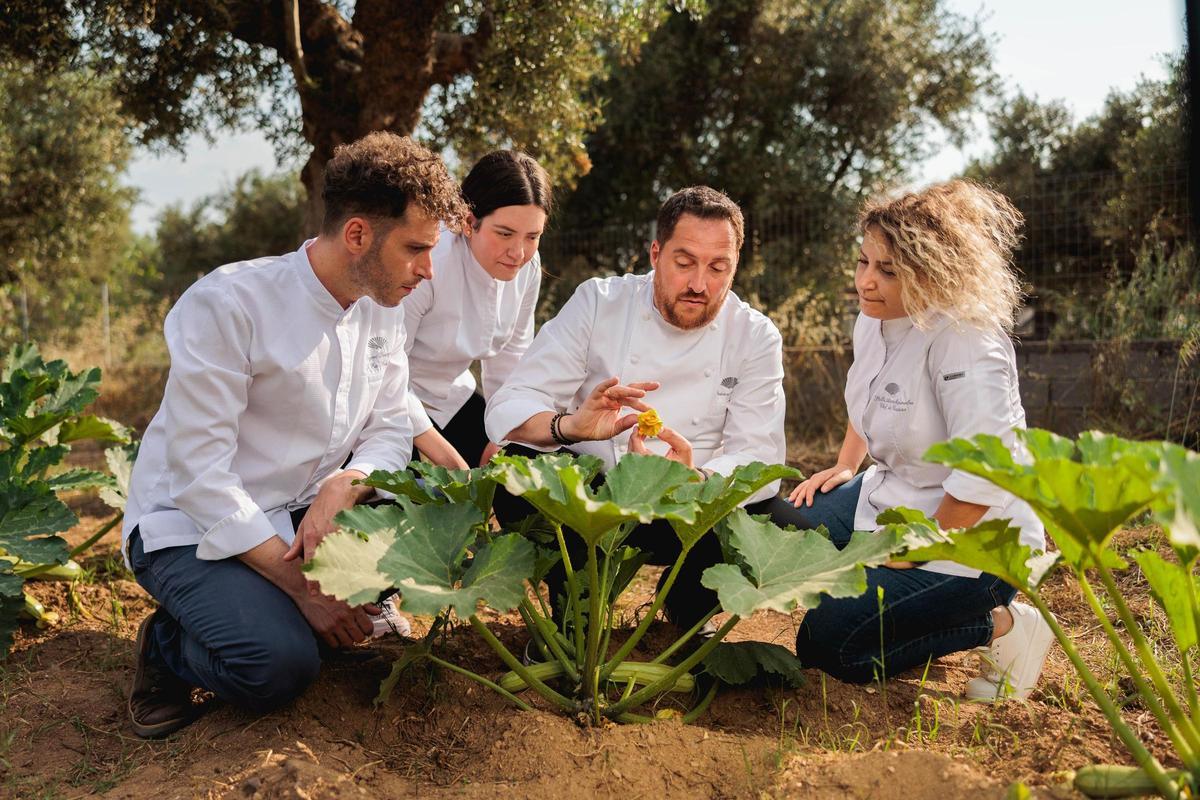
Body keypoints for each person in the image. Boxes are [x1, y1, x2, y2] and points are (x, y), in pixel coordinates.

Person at [121, 133, 467, 738]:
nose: (427, 270)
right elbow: (201, 479)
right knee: (278, 666)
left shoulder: (383, 305)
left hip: (302, 512)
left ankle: (294, 611)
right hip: (189, 525)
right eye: (416, 248)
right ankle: (169, 650)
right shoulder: (229, 305)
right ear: (358, 234)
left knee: (424, 519)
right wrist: (305, 592)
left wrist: (348, 481)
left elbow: (390, 426)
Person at [485, 185, 800, 631]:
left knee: (782, 527)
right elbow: (509, 404)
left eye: (717, 268)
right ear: (655, 254)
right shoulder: (599, 302)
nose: (699, 284)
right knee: (517, 471)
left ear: (735, 267)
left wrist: (697, 480)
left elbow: (762, 454)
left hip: (693, 508)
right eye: (684, 262)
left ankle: (691, 605)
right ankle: (578, 608)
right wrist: (571, 427)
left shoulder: (755, 335)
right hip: (599, 504)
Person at [788, 179, 1054, 700]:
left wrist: (917, 548)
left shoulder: (966, 340)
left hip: (976, 538)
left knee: (827, 644)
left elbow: (987, 469)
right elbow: (871, 395)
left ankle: (1003, 625)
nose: (866, 280)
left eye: (888, 271)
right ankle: (901, 613)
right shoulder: (874, 319)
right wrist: (847, 464)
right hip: (893, 499)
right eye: (863, 261)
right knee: (785, 522)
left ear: (934, 271)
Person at [404, 150, 552, 469]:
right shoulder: (430, 261)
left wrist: (502, 438)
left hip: (451, 397)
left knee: (519, 467)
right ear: (469, 222)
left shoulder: (527, 266)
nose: (519, 252)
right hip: (389, 399)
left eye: (533, 236)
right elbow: (385, 372)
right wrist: (449, 458)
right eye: (504, 234)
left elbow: (510, 362)